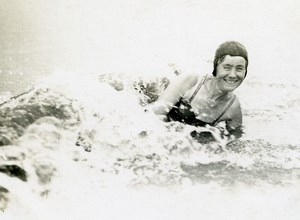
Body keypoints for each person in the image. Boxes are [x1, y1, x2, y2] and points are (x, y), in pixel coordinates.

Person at [153, 41, 248, 143]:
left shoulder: (233, 107)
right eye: (227, 68)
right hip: (154, 97)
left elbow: (235, 141)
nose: (233, 75)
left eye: (239, 69)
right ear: (216, 67)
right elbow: (155, 116)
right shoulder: (191, 81)